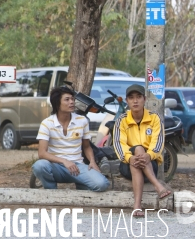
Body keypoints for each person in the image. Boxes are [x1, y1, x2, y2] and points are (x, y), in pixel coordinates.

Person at [32, 86, 109, 192]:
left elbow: (86, 146)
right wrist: (65, 161)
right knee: (39, 166)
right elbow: (42, 153)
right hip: (56, 167)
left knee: (102, 184)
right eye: (67, 99)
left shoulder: (82, 120)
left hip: (77, 167)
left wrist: (92, 161)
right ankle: (51, 193)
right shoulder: (47, 123)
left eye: (72, 99)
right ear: (57, 103)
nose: (72, 102)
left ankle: (81, 184)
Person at [113, 84, 172, 217]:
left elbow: (158, 142)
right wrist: (130, 158)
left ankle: (137, 206)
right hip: (127, 164)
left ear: (144, 99)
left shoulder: (154, 118)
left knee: (140, 151)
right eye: (131, 98)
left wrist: (149, 155)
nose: (135, 101)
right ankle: (158, 185)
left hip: (151, 165)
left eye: (138, 97)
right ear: (127, 101)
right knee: (138, 150)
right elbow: (118, 144)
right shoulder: (121, 121)